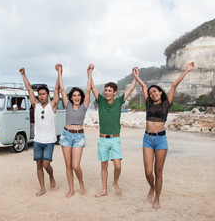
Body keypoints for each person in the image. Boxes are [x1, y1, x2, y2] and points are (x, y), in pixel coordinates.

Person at [132, 62, 194, 209]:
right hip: (147, 138)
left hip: (161, 140)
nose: (153, 93)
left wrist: (186, 70)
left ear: (160, 93)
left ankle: (157, 198)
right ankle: (152, 187)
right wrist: (136, 77)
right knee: (148, 171)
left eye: (156, 92)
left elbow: (173, 86)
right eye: (152, 92)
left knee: (158, 171)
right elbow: (144, 87)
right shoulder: (148, 103)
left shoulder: (166, 104)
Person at [91, 68, 137, 197]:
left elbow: (130, 90)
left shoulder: (118, 102)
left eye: (110, 91)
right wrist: (90, 73)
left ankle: (115, 182)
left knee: (117, 166)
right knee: (104, 166)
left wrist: (135, 78)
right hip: (102, 139)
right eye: (105, 90)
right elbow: (93, 87)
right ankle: (104, 190)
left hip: (115, 139)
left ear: (115, 92)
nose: (107, 92)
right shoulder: (100, 101)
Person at [19, 67, 60, 197]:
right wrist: (24, 74)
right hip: (37, 140)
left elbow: (58, 89)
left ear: (48, 95)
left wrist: (59, 73)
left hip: (49, 141)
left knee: (46, 164)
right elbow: (29, 89)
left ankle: (51, 176)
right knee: (38, 165)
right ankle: (42, 188)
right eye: (40, 94)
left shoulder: (53, 106)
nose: (41, 96)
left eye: (43, 94)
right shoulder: (35, 105)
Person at [56, 63, 94, 198]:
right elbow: (61, 88)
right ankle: (71, 189)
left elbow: (88, 90)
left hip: (78, 137)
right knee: (68, 165)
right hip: (66, 135)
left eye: (78, 95)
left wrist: (89, 73)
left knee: (75, 165)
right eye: (74, 95)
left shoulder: (84, 106)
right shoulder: (67, 105)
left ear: (81, 97)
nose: (77, 97)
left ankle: (81, 183)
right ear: (71, 97)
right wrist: (60, 72)